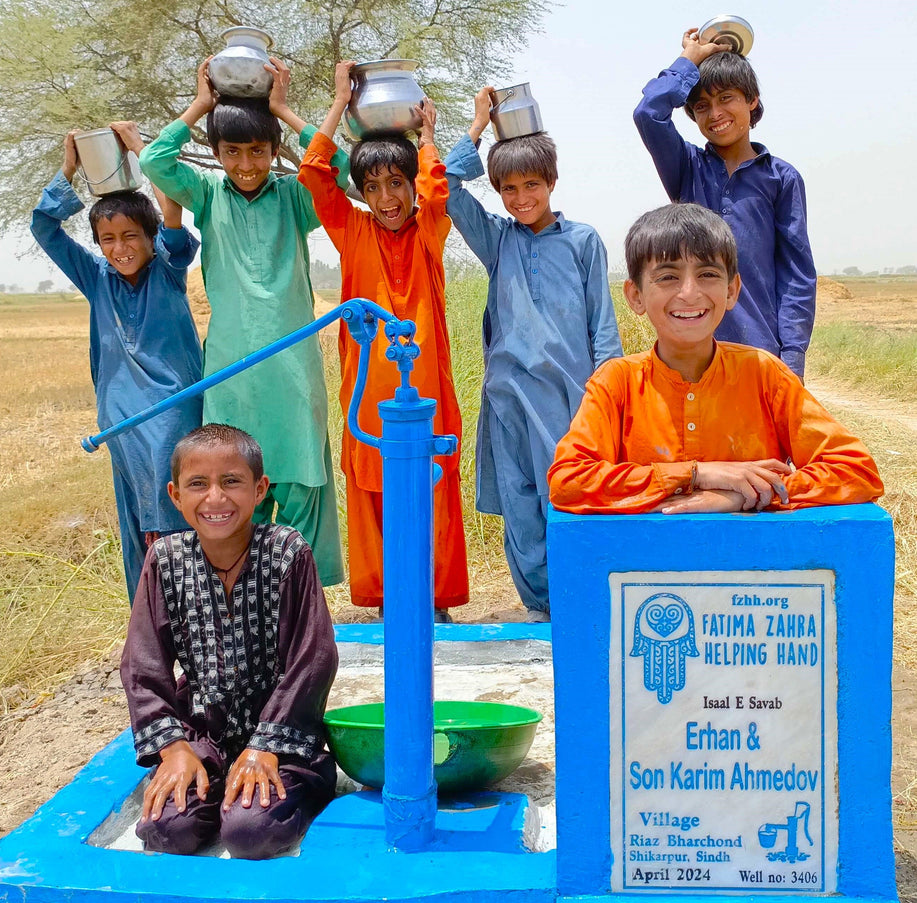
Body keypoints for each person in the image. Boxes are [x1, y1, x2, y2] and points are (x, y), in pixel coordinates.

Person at [139, 57, 348, 588]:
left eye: (258, 151)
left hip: (292, 374)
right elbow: (157, 161)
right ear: (217, 154)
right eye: (232, 152)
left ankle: (305, 607)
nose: (247, 163)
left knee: (301, 483)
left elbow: (342, 172)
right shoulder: (207, 197)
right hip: (232, 373)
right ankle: (240, 605)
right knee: (232, 490)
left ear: (275, 151)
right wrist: (202, 104)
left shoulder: (296, 198)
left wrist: (283, 109)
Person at [548, 204, 883, 516]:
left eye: (707, 274)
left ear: (732, 290)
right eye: (668, 277)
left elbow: (856, 470)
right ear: (635, 296)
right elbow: (568, 482)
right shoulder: (617, 382)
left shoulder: (763, 374)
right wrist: (696, 475)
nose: (690, 293)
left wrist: (744, 495)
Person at [298, 61, 469, 621]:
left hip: (426, 395)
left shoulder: (429, 231)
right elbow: (315, 174)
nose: (386, 197)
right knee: (372, 488)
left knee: (431, 490)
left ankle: (435, 602)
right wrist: (339, 99)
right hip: (368, 394)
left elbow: (435, 191)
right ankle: (382, 600)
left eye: (396, 184)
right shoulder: (352, 232)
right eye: (372, 187)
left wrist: (427, 139)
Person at [444, 88, 622, 622]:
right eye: (509, 189)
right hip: (507, 400)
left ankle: (576, 603)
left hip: (570, 400)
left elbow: (603, 327)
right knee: (520, 507)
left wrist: (607, 399)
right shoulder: (498, 240)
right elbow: (446, 188)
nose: (521, 198)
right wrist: (477, 124)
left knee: (567, 501)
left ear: (552, 182)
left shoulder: (583, 241)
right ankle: (540, 608)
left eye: (531, 185)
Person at [121, 424, 338, 859]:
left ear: (260, 490)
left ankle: (290, 791)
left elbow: (312, 659)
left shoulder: (286, 552)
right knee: (167, 831)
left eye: (232, 481)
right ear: (175, 495)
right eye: (197, 484)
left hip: (283, 739)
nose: (215, 498)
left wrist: (264, 747)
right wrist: (175, 749)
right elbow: (142, 667)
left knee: (249, 832)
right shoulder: (165, 560)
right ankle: (211, 784)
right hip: (202, 733)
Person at [31, 122, 203, 603]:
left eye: (131, 235)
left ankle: (189, 615)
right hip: (120, 420)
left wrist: (138, 150)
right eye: (108, 239)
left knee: (173, 515)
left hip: (173, 410)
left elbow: (171, 211)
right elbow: (44, 227)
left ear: (150, 238)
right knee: (134, 524)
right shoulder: (96, 277)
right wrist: (68, 168)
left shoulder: (169, 270)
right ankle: (148, 624)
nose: (120, 247)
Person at [633, 29, 816, 379]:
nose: (715, 113)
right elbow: (648, 113)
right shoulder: (687, 168)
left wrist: (792, 358)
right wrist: (688, 60)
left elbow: (797, 275)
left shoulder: (781, 178)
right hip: (690, 353)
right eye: (702, 106)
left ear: (752, 100)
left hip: (759, 353)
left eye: (726, 98)